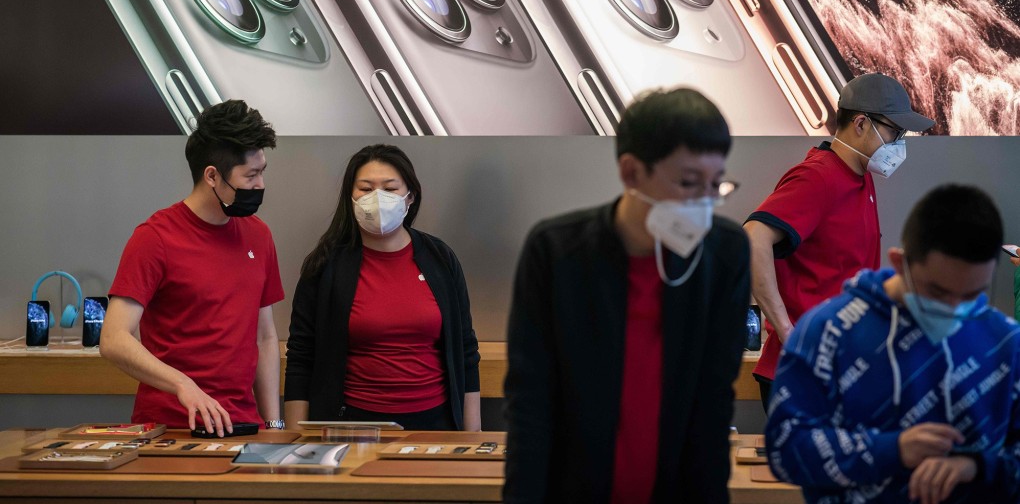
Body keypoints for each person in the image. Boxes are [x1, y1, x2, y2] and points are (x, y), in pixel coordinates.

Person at [503, 88, 750, 504]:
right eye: (689, 183)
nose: (705, 205)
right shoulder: (557, 251)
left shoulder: (725, 254)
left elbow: (713, 401)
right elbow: (531, 401)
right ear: (632, 172)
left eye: (715, 185)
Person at [765, 184, 1020, 503]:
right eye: (938, 292)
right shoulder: (828, 331)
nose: (954, 308)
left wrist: (978, 467)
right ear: (900, 263)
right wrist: (892, 450)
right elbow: (785, 450)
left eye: (971, 295)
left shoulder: (1005, 342)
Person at [744, 73, 935, 408]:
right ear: (860, 123)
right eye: (895, 131)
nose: (899, 143)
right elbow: (753, 237)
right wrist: (788, 332)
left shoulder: (860, 177)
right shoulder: (818, 177)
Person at [101, 100, 284, 436]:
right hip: (172, 426)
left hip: (245, 425)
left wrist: (273, 424)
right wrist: (182, 384)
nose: (260, 185)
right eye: (251, 175)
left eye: (262, 172)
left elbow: (265, 336)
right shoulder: (155, 237)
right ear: (212, 176)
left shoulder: (259, 235)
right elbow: (113, 339)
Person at [284, 144, 480, 431]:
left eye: (390, 188)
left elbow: (466, 349)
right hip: (352, 425)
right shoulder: (326, 265)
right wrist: (294, 436)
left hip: (437, 424)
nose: (377, 198)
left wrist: (472, 435)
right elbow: (301, 356)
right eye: (366, 189)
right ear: (351, 196)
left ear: (410, 196)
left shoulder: (440, 258)